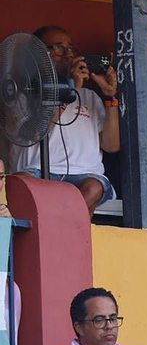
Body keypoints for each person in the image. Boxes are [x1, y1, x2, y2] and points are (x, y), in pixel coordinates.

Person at [16, 26, 121, 209]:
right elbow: (35, 133)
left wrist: (110, 97)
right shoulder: (23, 93)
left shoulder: (90, 96)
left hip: (84, 176)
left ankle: (62, 230)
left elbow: (111, 145)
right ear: (38, 54)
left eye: (70, 49)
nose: (67, 54)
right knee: (22, 183)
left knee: (94, 188)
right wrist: (71, 91)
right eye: (58, 47)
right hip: (35, 171)